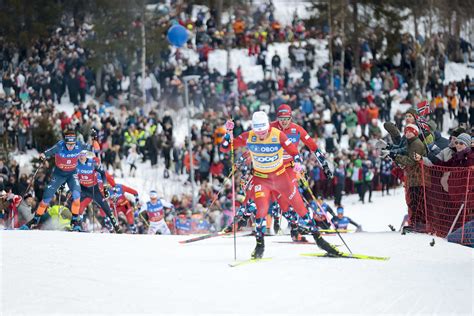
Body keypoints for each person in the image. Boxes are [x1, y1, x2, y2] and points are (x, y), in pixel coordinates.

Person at [221, 111, 341, 259]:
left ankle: (319, 240)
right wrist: (227, 133)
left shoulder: (277, 134)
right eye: (258, 132)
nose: (261, 135)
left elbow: (294, 151)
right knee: (261, 210)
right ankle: (259, 245)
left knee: (299, 207)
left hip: (280, 177)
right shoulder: (249, 136)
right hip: (261, 179)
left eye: (264, 131)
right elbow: (226, 147)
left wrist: (297, 163)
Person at [20, 130, 95, 230]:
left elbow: (93, 147)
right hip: (59, 174)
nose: (70, 147)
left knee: (77, 196)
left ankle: (74, 222)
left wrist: (94, 140)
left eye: (72, 144)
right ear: (65, 142)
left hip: (72, 174)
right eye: (68, 144)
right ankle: (35, 219)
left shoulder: (79, 145)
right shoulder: (60, 146)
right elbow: (48, 152)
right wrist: (43, 156)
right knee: (46, 198)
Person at [76, 150, 121, 233]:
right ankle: (78, 224)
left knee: (105, 208)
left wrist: (112, 192)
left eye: (98, 164)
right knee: (80, 205)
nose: (97, 165)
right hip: (86, 190)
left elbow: (113, 184)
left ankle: (113, 225)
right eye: (96, 164)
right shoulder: (85, 165)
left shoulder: (103, 172)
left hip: (97, 192)